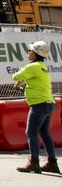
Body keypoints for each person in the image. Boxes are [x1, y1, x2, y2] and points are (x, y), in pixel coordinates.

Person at [12, 40, 58, 174]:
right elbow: (28, 79)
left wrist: (22, 75)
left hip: (39, 105)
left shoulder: (31, 67)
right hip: (49, 104)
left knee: (31, 132)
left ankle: (34, 163)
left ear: (35, 53)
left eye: (30, 51)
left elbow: (16, 76)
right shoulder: (42, 66)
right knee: (45, 133)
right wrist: (24, 81)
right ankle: (52, 162)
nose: (28, 52)